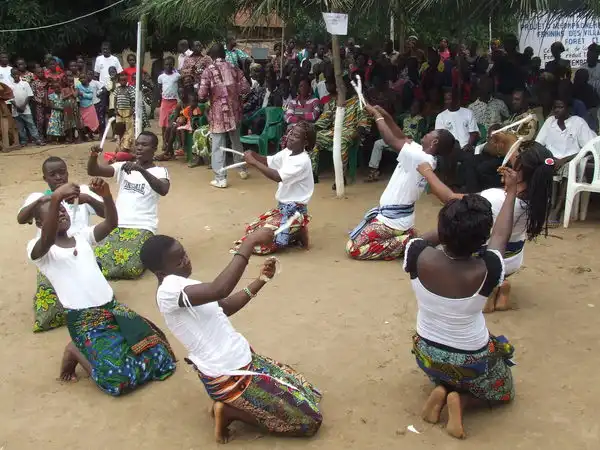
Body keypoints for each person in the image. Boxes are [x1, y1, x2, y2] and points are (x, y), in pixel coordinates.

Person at [140, 227, 322, 443]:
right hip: (227, 374)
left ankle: (235, 405)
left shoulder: (183, 284)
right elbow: (220, 290)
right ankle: (228, 411)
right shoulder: (169, 292)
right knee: (308, 421)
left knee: (308, 393)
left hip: (241, 357)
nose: (187, 261)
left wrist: (261, 279)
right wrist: (250, 242)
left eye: (185, 254)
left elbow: (223, 306)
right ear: (161, 273)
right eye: (178, 261)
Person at [28, 179, 176, 395]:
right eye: (53, 211)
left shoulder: (82, 237)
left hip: (113, 309)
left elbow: (111, 223)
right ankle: (74, 350)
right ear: (41, 224)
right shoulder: (40, 251)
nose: (60, 213)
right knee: (119, 381)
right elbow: (48, 238)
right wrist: (56, 197)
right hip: (86, 321)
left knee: (162, 360)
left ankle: (92, 350)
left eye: (62, 210)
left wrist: (106, 195)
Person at [404, 169, 518, 439]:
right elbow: (501, 235)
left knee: (448, 366)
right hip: (470, 358)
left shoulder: (416, 252)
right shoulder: (489, 267)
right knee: (504, 387)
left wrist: (449, 228)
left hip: (426, 352)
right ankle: (462, 401)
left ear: (442, 229)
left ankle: (442, 388)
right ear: (482, 240)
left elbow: (426, 237)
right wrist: (511, 191)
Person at [417, 141, 555, 313]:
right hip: (512, 260)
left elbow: (450, 197)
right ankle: (500, 286)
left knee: (447, 248)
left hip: (489, 261)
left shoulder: (496, 198)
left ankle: (486, 289)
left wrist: (427, 171)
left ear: (519, 172)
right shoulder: (540, 198)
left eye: (516, 160)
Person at [346, 104, 456, 260]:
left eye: (430, 133)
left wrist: (377, 116)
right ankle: (406, 235)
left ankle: (406, 242)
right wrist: (384, 113)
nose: (426, 134)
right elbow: (401, 136)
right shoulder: (420, 152)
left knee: (354, 249)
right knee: (355, 241)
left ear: (435, 142)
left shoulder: (422, 158)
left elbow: (391, 140)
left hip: (392, 221)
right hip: (392, 217)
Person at [18, 156, 104, 331]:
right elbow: (21, 218)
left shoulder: (82, 192)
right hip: (53, 259)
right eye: (53, 174)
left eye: (62, 172)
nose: (58, 177)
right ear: (45, 179)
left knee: (95, 300)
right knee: (49, 312)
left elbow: (108, 216)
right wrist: (45, 200)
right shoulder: (39, 198)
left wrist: (88, 198)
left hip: (80, 256)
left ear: (67, 173)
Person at [87, 132, 170, 279]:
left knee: (131, 268)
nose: (139, 148)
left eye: (144, 145)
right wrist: (93, 156)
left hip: (143, 226)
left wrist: (140, 170)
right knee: (94, 262)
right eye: (137, 144)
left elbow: (163, 190)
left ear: (154, 148)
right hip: (117, 224)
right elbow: (93, 170)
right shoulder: (123, 167)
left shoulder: (160, 171)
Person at [234, 122, 315, 255]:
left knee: (259, 246)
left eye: (295, 136)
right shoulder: (288, 151)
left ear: (305, 142)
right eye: (290, 133)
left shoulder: (302, 161)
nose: (290, 137)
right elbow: (270, 161)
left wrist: (253, 162)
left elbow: (277, 176)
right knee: (251, 231)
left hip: (294, 209)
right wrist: (254, 155)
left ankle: (298, 226)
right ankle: (295, 230)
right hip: (283, 208)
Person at [535, 96, 597, 224]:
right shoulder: (549, 122)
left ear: (568, 109)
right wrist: (550, 158)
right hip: (550, 159)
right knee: (537, 168)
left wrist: (564, 160)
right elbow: (538, 144)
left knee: (568, 169)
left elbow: (588, 146)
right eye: (555, 107)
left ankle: (557, 208)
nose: (556, 110)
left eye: (560, 107)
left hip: (571, 161)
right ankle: (544, 206)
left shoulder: (577, 122)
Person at [199, 44, 251, 189]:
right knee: (236, 140)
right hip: (235, 111)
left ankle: (220, 178)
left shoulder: (208, 71)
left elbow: (202, 95)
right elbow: (246, 88)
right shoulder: (235, 68)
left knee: (218, 145)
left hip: (218, 114)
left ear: (212, 56)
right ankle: (241, 169)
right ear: (224, 54)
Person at [311, 75, 371, 186]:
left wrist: (359, 132)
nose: (338, 90)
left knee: (341, 141)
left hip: (350, 132)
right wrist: (313, 128)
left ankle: (340, 176)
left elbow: (364, 119)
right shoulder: (334, 102)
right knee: (315, 138)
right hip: (334, 132)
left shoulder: (358, 101)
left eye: (341, 87)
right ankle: (313, 173)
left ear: (348, 87)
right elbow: (324, 119)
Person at [367, 98, 426, 182]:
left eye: (416, 107)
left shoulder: (421, 119)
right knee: (378, 143)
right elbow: (392, 121)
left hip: (410, 143)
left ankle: (403, 175)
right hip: (398, 138)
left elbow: (419, 135)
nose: (413, 108)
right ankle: (373, 170)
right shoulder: (405, 117)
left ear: (419, 108)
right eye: (413, 106)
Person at [8, 68, 45, 147]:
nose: (16, 76)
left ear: (19, 74)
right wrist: (17, 106)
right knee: (20, 127)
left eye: (17, 74)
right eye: (14, 74)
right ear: (11, 75)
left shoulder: (25, 83)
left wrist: (23, 106)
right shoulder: (10, 86)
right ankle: (23, 141)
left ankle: (37, 139)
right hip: (16, 109)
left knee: (31, 124)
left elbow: (29, 95)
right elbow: (10, 98)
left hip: (26, 109)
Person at [157, 56, 181, 151]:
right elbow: (159, 88)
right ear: (164, 65)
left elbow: (179, 88)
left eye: (170, 64)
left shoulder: (177, 76)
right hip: (165, 102)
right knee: (163, 124)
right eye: (166, 64)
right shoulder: (161, 77)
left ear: (173, 65)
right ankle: (164, 142)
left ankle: (173, 142)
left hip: (174, 102)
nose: (168, 66)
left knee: (172, 123)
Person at [114, 72, 136, 152]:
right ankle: (119, 145)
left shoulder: (130, 89)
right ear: (119, 81)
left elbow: (133, 100)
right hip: (119, 111)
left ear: (127, 80)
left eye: (124, 80)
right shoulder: (117, 89)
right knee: (119, 129)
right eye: (121, 80)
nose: (123, 81)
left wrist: (132, 109)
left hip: (127, 111)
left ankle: (127, 146)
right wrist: (116, 109)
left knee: (129, 128)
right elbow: (115, 99)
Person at [77, 71, 100, 140]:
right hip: (82, 107)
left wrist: (82, 94)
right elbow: (77, 95)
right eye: (81, 78)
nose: (82, 79)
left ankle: (90, 135)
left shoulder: (90, 86)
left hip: (90, 107)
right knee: (83, 123)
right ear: (79, 80)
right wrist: (82, 94)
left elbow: (90, 96)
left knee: (91, 122)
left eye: (84, 78)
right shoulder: (78, 86)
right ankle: (83, 136)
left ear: (87, 78)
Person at [61, 72, 81, 143]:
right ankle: (70, 137)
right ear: (66, 82)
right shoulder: (63, 89)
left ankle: (77, 138)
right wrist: (70, 94)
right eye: (69, 81)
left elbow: (75, 96)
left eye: (72, 81)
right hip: (67, 108)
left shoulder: (76, 88)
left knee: (75, 123)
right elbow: (63, 97)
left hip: (74, 107)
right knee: (69, 123)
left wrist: (72, 89)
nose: (70, 83)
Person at [30, 65, 48, 138]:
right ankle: (40, 136)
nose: (40, 74)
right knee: (40, 121)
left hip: (49, 104)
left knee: (48, 120)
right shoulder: (34, 83)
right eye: (38, 72)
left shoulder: (47, 81)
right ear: (35, 74)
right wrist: (40, 101)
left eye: (41, 72)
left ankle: (49, 136)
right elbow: (32, 95)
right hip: (39, 105)